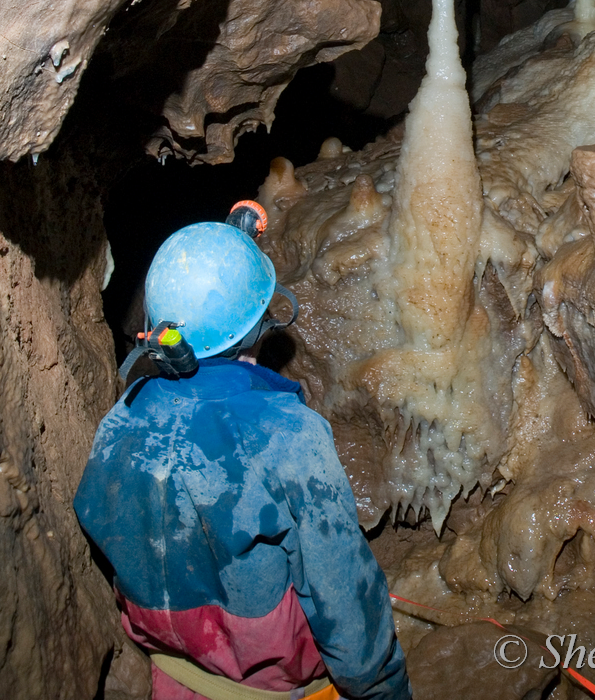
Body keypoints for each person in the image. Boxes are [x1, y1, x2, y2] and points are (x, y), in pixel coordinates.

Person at [75, 201, 411, 700]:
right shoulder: (290, 436)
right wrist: (383, 687)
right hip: (270, 679)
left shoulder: (121, 418)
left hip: (170, 670)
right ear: (257, 325)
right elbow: (343, 600)